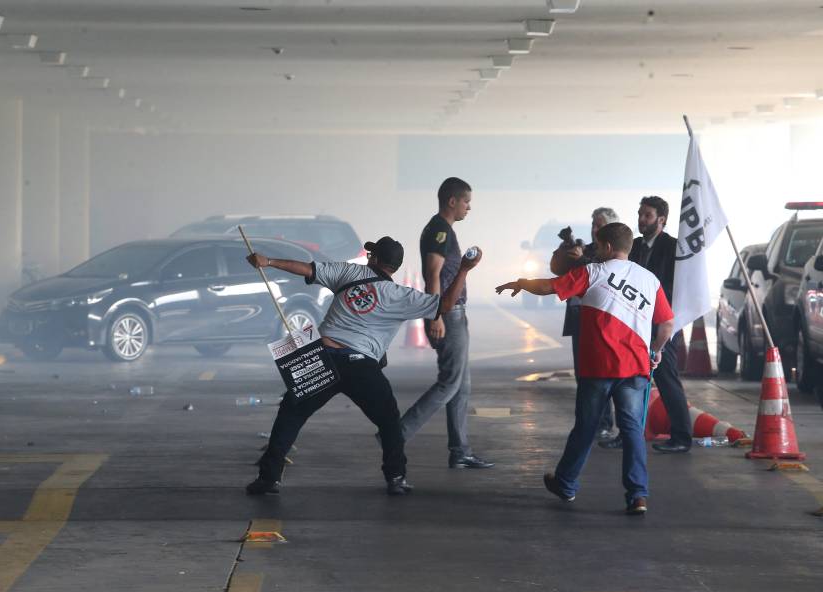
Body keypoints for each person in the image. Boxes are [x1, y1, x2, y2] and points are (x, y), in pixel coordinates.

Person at [245, 236, 481, 496]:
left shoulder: (349, 272)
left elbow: (306, 268)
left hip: (323, 357)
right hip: (361, 366)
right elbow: (446, 305)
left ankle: (269, 478)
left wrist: (268, 261)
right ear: (394, 267)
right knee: (389, 421)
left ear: (375, 259)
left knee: (292, 412)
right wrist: (464, 269)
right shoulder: (401, 295)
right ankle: (396, 478)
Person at [495, 222, 675, 515]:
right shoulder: (650, 280)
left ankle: (566, 483)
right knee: (632, 431)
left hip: (598, 368)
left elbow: (550, 286)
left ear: (605, 247)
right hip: (635, 369)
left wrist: (521, 282)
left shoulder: (594, 272)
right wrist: (656, 350)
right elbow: (667, 323)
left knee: (586, 427)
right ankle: (638, 496)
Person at [398, 177, 494, 469]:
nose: (469, 208)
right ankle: (395, 436)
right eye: (466, 202)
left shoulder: (443, 230)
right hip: (447, 314)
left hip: (453, 311)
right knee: (449, 383)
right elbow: (433, 274)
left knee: (461, 386)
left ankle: (460, 451)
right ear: (452, 201)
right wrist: (435, 315)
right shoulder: (439, 230)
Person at [550, 207, 621, 443]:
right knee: (583, 375)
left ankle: (603, 424)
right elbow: (557, 270)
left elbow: (603, 276)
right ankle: (587, 423)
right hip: (580, 317)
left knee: (602, 375)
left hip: (604, 321)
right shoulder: (587, 249)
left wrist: (581, 259)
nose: (595, 229)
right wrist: (565, 251)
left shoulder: (612, 255)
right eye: (593, 224)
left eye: (599, 225)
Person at [630, 196, 693, 454]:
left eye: (647, 215)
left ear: (661, 220)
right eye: (640, 214)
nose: (641, 219)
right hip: (634, 322)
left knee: (666, 378)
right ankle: (628, 435)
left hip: (662, 322)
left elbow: (677, 287)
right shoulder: (633, 246)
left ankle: (681, 437)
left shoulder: (673, 247)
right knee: (630, 380)